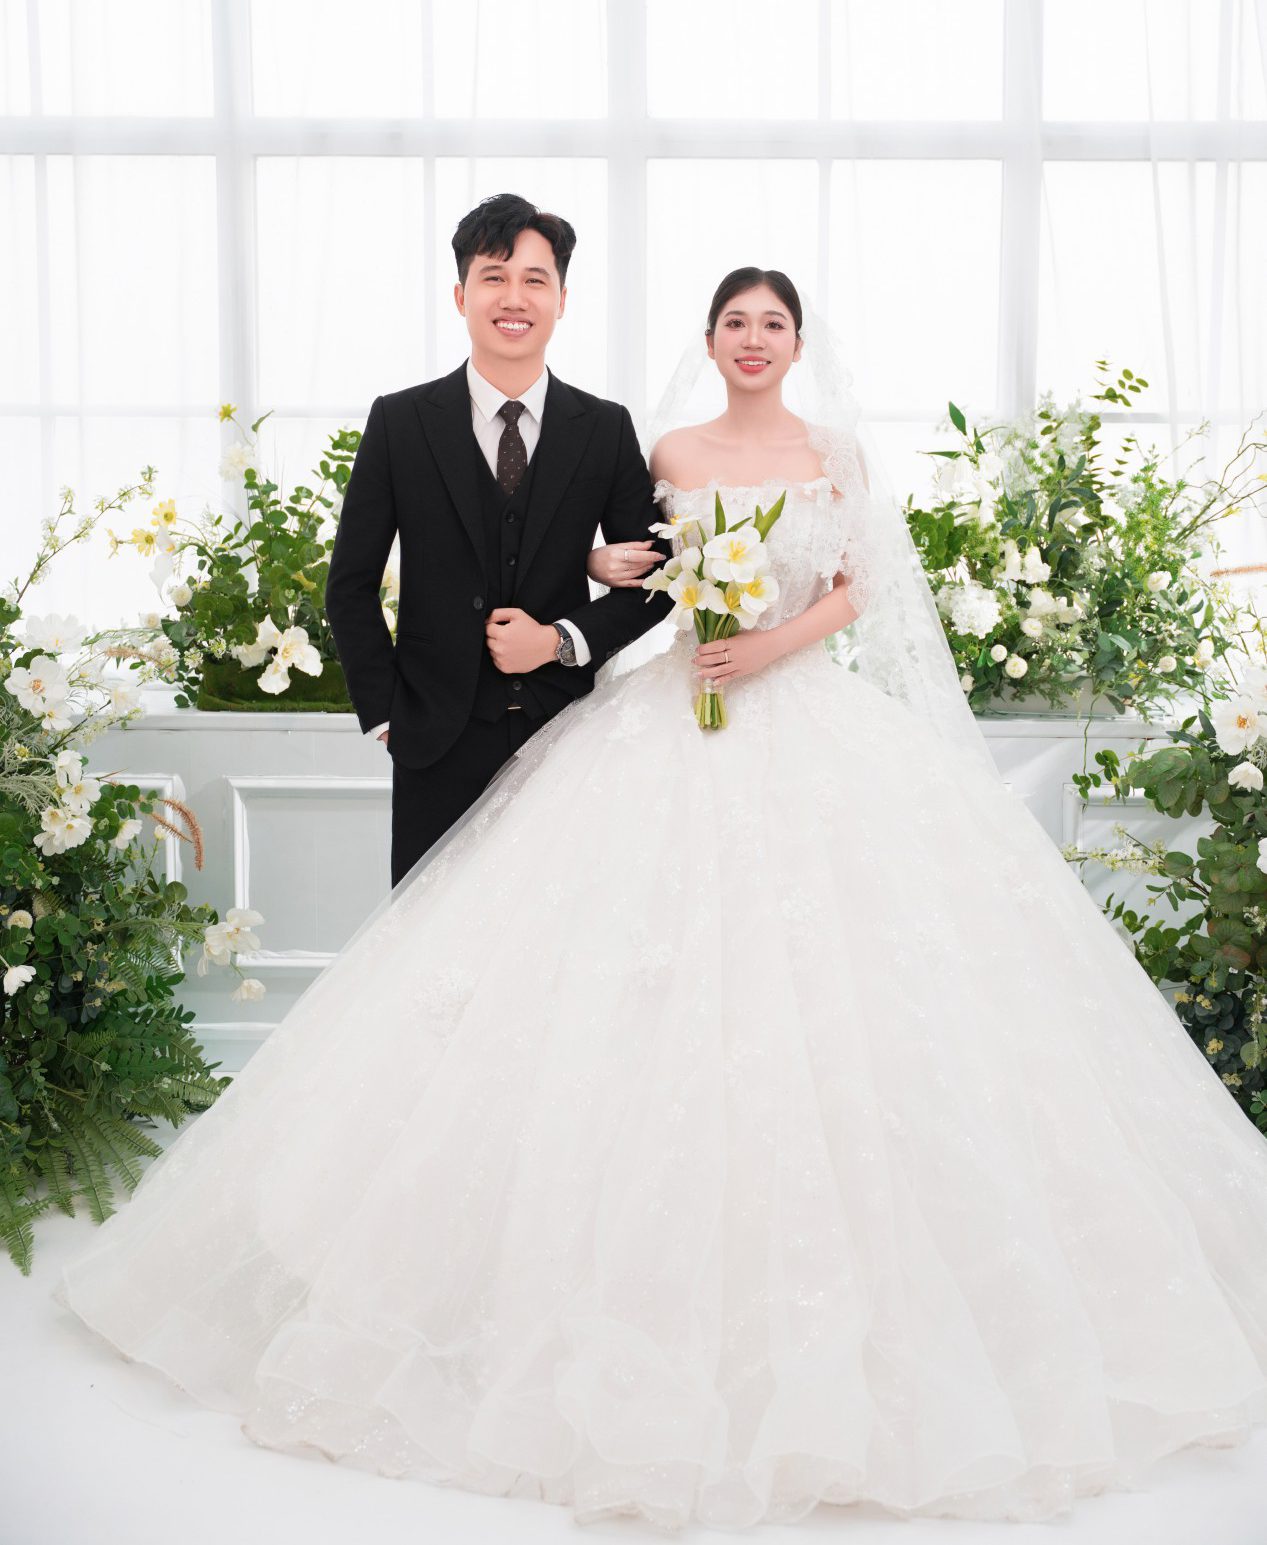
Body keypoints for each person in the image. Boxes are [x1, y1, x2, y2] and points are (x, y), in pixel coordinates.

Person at [53, 267, 1267, 1531]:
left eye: (773, 324)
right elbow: (631, 568)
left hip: (800, 710)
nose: (753, 339)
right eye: (735, 322)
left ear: (797, 343)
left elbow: (860, 586)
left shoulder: (837, 452)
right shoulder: (670, 450)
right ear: (710, 339)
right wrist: (615, 573)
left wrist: (767, 644)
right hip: (668, 714)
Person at [325, 191, 672, 885]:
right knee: (427, 936)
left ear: (562, 300)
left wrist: (560, 640)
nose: (514, 297)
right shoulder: (399, 423)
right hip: (433, 739)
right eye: (494, 277)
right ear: (461, 296)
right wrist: (386, 714)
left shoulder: (603, 428)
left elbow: (658, 579)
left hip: (566, 734)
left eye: (535, 280)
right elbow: (350, 584)